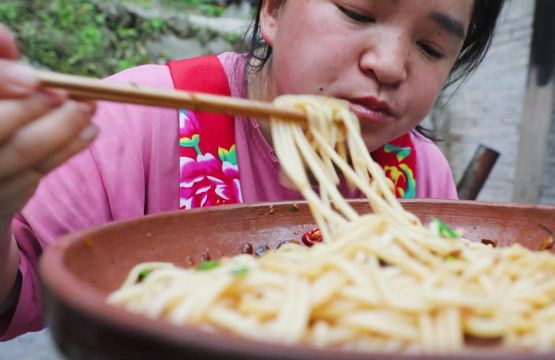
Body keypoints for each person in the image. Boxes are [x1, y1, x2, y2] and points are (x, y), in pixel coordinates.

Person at [0, 0, 505, 341]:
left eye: (432, 47)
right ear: (273, 10)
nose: (391, 65)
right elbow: (15, 295)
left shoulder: (422, 172)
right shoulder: (136, 120)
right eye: (356, 11)